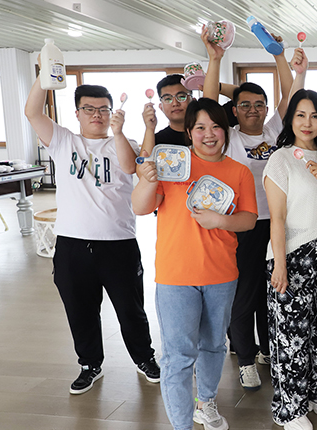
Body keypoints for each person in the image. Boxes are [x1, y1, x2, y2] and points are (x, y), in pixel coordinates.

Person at [24, 74, 159, 395]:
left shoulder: (122, 142)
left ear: (112, 112)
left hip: (118, 243)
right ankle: (89, 365)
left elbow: (133, 167)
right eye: (89, 109)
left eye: (103, 109)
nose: (97, 114)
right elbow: (32, 112)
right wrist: (44, 76)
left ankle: (145, 358)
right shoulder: (63, 141)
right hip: (72, 244)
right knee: (80, 310)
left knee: (131, 309)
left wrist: (122, 131)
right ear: (77, 113)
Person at [133, 97, 257, 430]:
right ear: (189, 132)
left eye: (216, 126)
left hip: (221, 275)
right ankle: (182, 425)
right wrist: (147, 179)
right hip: (175, 276)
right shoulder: (172, 165)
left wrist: (221, 221)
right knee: (178, 355)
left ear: (226, 131)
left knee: (214, 346)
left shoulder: (239, 172)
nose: (209, 134)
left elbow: (248, 219)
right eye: (200, 127)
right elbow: (141, 207)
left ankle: (206, 402)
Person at [201, 26, 297, 391]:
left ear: (266, 109)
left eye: (259, 104)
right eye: (245, 105)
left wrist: (278, 55)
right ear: (234, 110)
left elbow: (291, 93)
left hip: (277, 224)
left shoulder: (274, 132)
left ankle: (268, 350)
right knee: (244, 294)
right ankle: (245, 358)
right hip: (243, 225)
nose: (253, 110)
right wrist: (216, 59)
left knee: (271, 291)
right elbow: (208, 103)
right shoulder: (228, 138)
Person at [263, 88, 317, 430]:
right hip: (292, 253)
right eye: (300, 115)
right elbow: (278, 217)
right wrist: (280, 264)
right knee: (291, 335)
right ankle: (289, 408)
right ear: (290, 119)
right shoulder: (281, 159)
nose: (307, 122)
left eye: (314, 116)